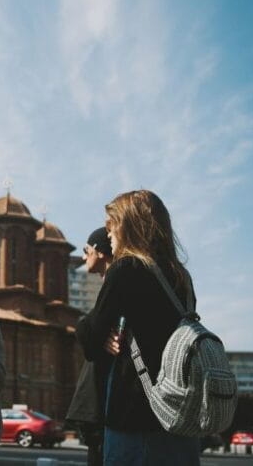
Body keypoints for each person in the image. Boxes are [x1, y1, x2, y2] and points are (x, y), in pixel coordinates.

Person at [76, 190, 199, 466]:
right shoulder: (181, 275)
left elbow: (92, 342)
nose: (109, 234)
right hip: (181, 410)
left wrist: (93, 329)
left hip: (135, 411)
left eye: (113, 224)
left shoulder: (125, 269)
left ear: (130, 225)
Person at [66, 227, 113, 466]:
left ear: (100, 251)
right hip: (99, 402)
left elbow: (88, 332)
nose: (84, 258)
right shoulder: (109, 284)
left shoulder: (114, 282)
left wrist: (88, 329)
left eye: (87, 250)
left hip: (103, 403)